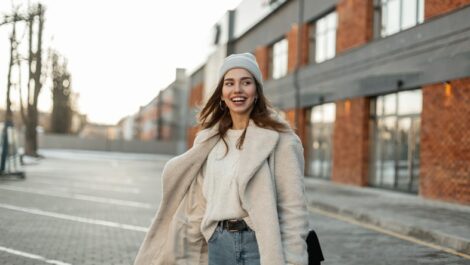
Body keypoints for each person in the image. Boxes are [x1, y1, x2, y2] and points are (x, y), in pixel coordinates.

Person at [134, 53, 309, 265]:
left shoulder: (280, 140)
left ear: (256, 92)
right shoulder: (209, 141)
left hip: (259, 246)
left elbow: (293, 211)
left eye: (246, 82)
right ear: (222, 94)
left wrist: (294, 261)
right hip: (217, 244)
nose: (237, 89)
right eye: (229, 83)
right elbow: (199, 203)